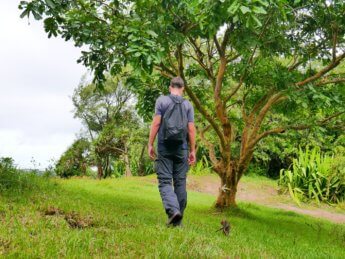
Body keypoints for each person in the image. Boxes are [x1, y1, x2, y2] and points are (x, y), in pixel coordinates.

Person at [148, 76, 196, 227]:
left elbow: (156, 123)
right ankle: (177, 222)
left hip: (164, 146)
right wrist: (192, 150)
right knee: (180, 183)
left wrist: (150, 144)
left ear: (170, 87)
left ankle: (173, 211)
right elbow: (191, 129)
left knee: (165, 182)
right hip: (181, 149)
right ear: (183, 89)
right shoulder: (188, 105)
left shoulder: (162, 101)